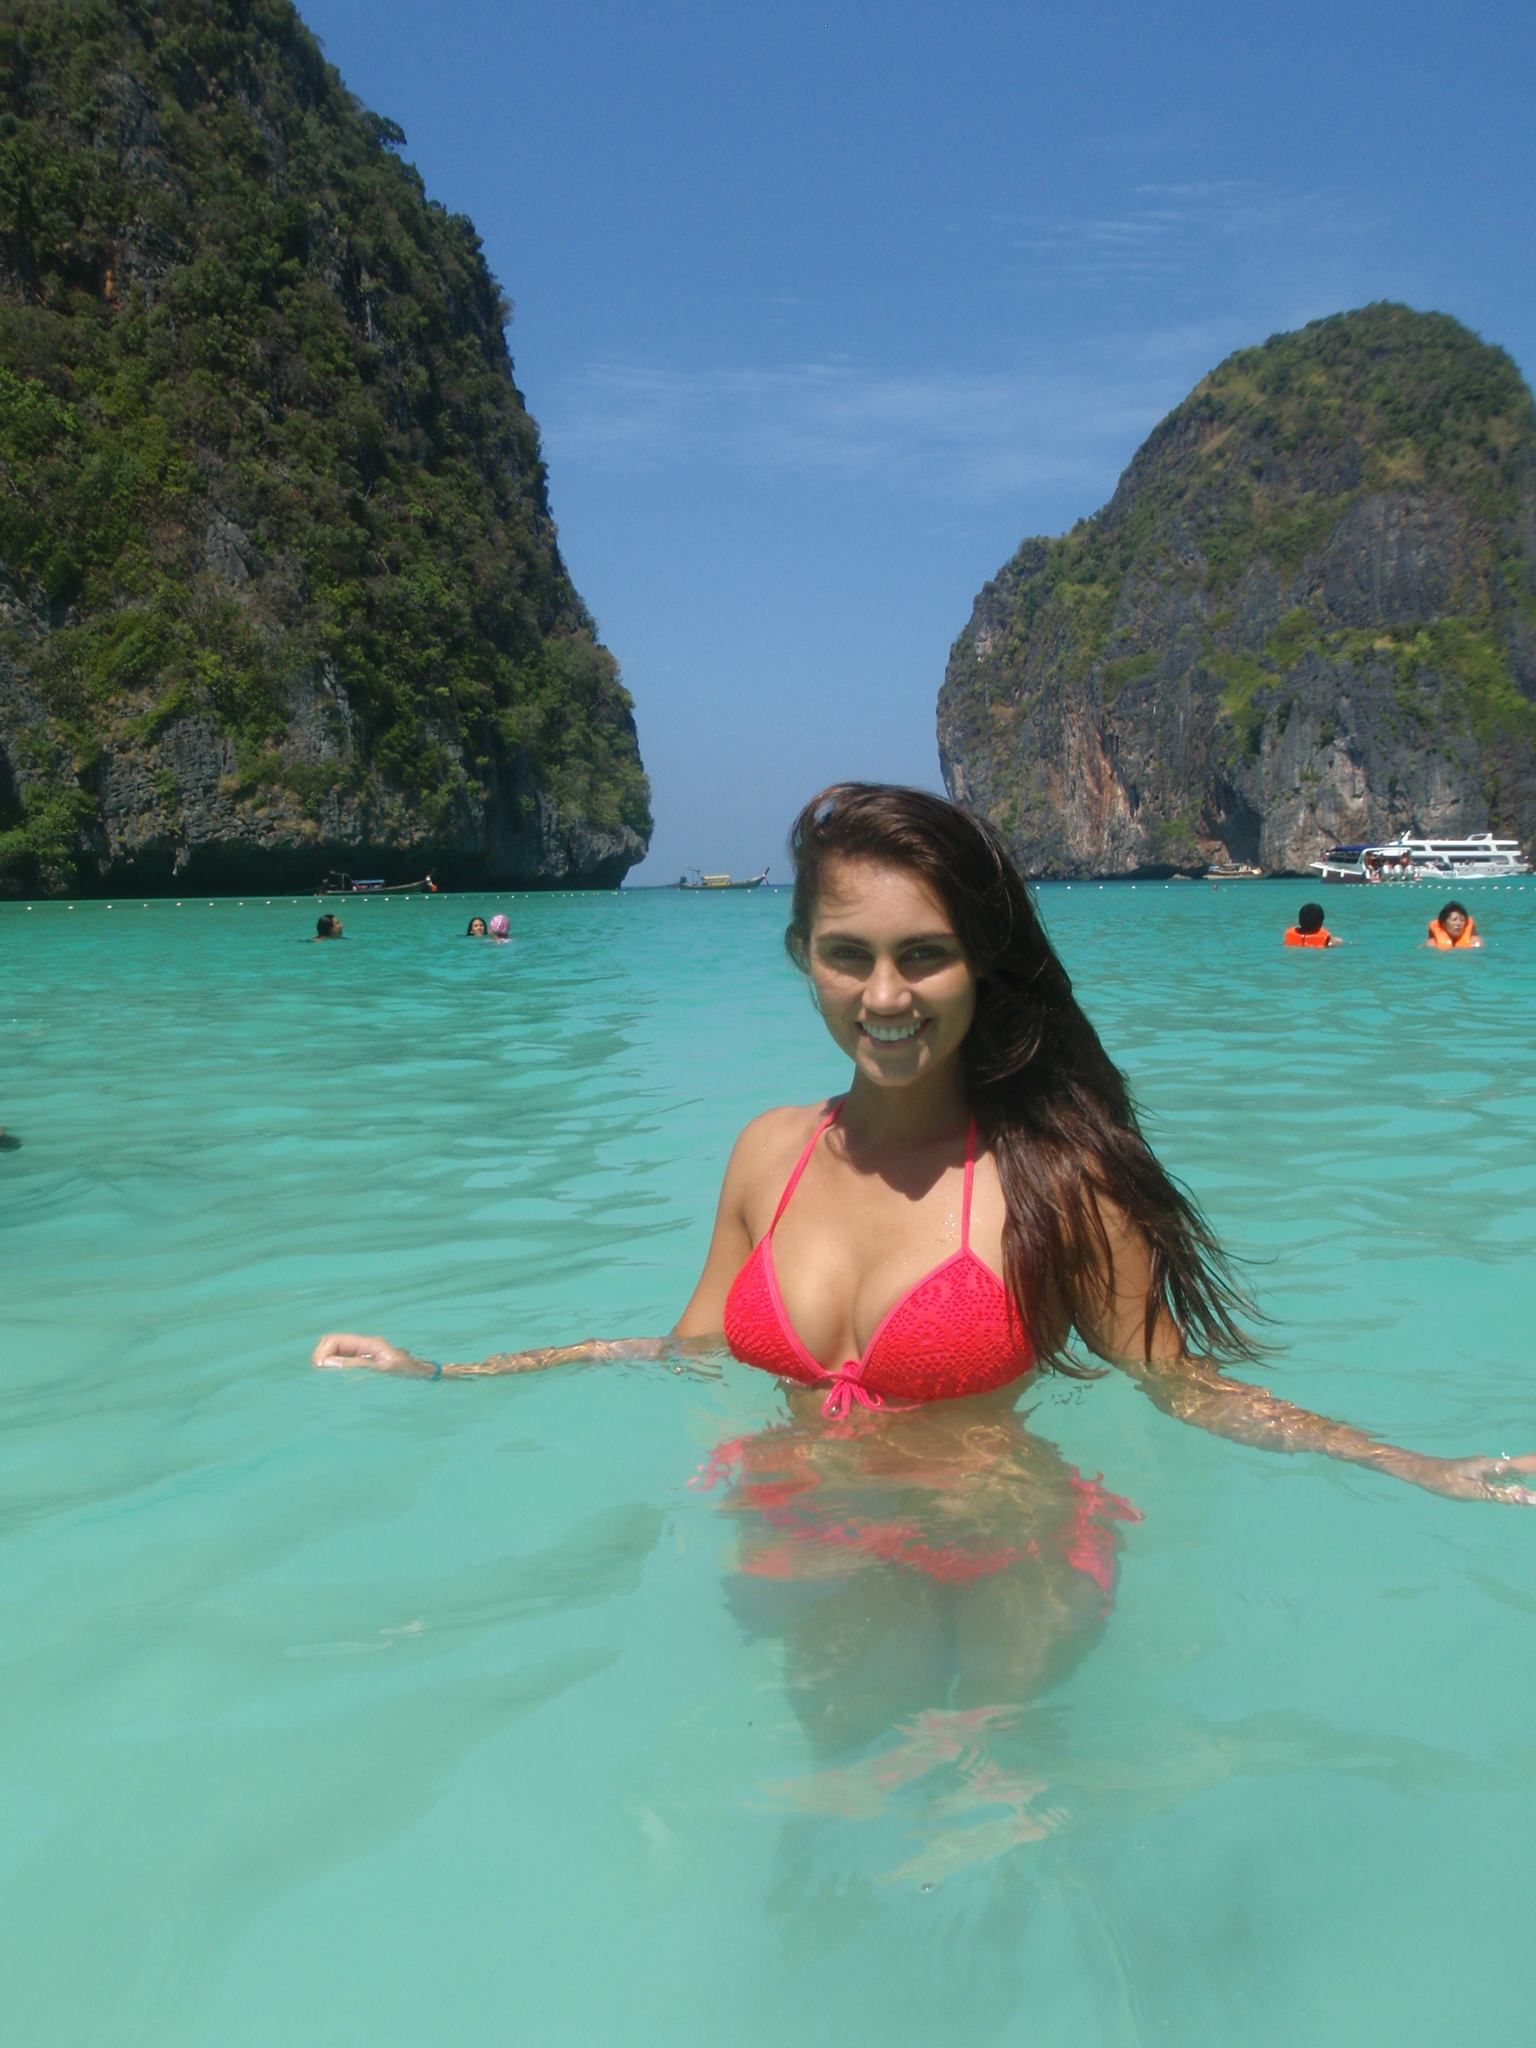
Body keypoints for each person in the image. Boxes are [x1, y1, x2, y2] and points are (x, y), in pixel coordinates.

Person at [312, 784, 1535, 1776]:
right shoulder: (768, 1154)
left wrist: (1407, 1462)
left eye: (925, 955)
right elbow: (686, 1351)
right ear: (802, 953)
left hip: (1003, 1548)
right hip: (807, 1536)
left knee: (991, 1829)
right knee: (821, 1831)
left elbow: (1184, 1384)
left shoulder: (1057, 1180)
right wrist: (451, 1371)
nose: (885, 995)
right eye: (848, 954)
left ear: (980, 964)